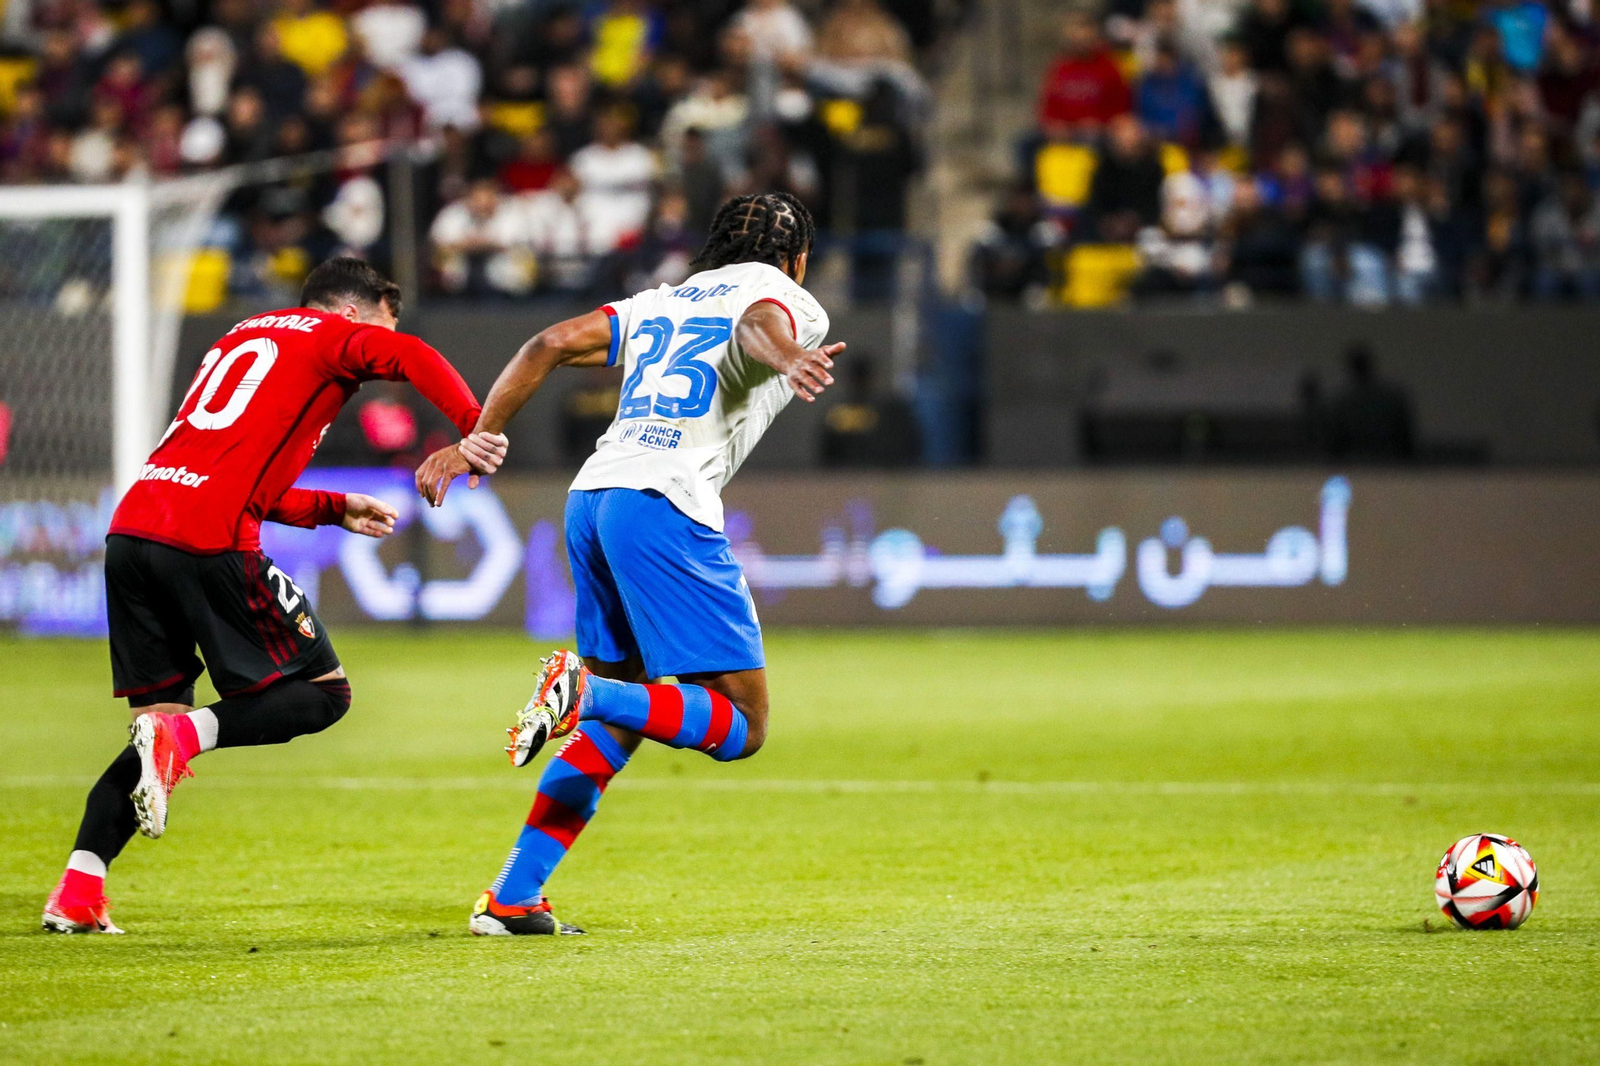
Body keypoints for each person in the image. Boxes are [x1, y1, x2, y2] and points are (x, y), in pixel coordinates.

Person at [413, 192, 843, 936]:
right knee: (741, 723)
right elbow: (754, 322)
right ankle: (583, 690)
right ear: (796, 258)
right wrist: (790, 356)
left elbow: (547, 343)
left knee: (621, 717)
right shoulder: (786, 297)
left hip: (594, 495)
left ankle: (514, 898)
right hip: (665, 503)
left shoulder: (659, 301)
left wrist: (478, 436)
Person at [41, 258, 503, 934]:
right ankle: (184, 735)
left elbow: (233, 475)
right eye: (382, 319)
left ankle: (79, 888)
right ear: (357, 310)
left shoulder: (241, 335)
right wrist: (474, 427)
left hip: (133, 533)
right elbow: (410, 355)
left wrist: (330, 506)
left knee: (154, 732)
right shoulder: (327, 334)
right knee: (324, 694)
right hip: (210, 542)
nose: (381, 337)